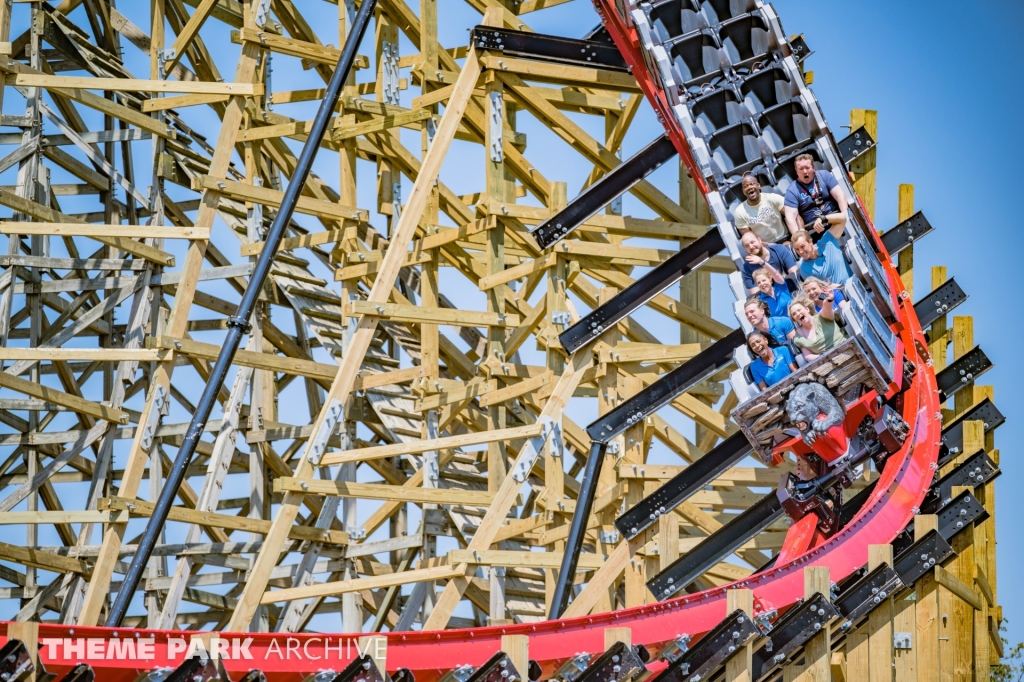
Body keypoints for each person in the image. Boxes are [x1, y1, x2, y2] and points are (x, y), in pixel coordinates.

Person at [783, 154, 849, 239]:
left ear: (813, 167)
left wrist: (845, 215)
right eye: (801, 169)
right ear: (796, 170)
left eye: (807, 168)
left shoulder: (824, 175)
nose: (805, 171)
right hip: (815, 231)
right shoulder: (792, 191)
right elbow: (791, 218)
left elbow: (840, 195)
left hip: (835, 220)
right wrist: (800, 239)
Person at [732, 173, 788, 243]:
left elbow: (792, 216)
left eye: (752, 184)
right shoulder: (740, 212)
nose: (749, 187)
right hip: (765, 247)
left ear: (758, 186)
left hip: (784, 238)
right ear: (743, 191)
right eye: (746, 186)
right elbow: (750, 240)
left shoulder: (772, 198)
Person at [789, 295, 847, 361]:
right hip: (827, 361)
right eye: (794, 314)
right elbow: (808, 356)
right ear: (794, 320)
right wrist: (825, 356)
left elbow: (827, 307)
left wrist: (829, 299)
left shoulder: (822, 317)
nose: (797, 314)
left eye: (799, 310)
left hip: (846, 347)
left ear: (807, 309)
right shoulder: (798, 338)